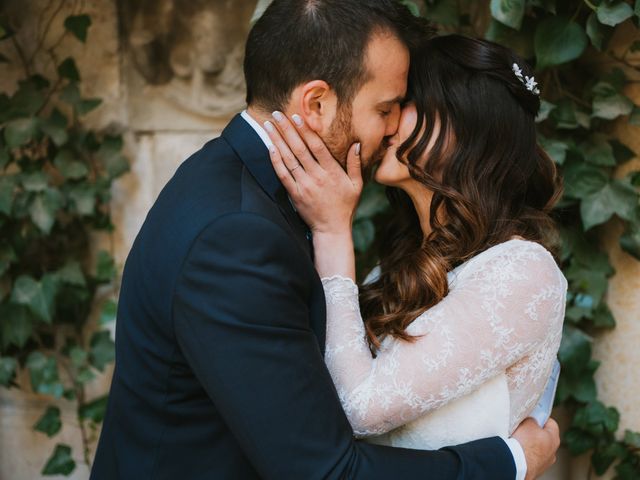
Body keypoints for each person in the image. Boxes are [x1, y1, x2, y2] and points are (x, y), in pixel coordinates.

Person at [91, 2, 559, 479]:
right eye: (384, 108)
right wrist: (512, 461)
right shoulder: (238, 234)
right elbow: (324, 468)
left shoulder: (247, 194)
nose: (392, 125)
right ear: (317, 104)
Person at [265, 31, 566, 463]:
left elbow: (360, 410)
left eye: (404, 104)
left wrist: (332, 233)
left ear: (462, 124)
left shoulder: (521, 271)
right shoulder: (393, 268)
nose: (386, 120)